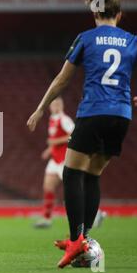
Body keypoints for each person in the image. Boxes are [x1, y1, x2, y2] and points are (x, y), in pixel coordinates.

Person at [27, 0, 137, 268]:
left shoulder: (87, 38)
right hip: (122, 116)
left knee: (72, 172)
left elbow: (62, 80)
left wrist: (41, 108)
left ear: (94, 14)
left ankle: (77, 239)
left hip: (93, 112)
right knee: (92, 175)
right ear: (120, 14)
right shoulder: (133, 40)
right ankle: (85, 242)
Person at [34, 97, 106, 229]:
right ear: (50, 106)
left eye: (58, 104)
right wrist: (49, 150)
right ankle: (46, 218)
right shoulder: (52, 119)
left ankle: (97, 214)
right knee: (48, 187)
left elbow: (75, 134)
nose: (55, 106)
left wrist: (55, 142)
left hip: (65, 160)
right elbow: (55, 139)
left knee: (74, 189)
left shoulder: (64, 119)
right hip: (55, 160)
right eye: (53, 104)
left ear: (62, 106)